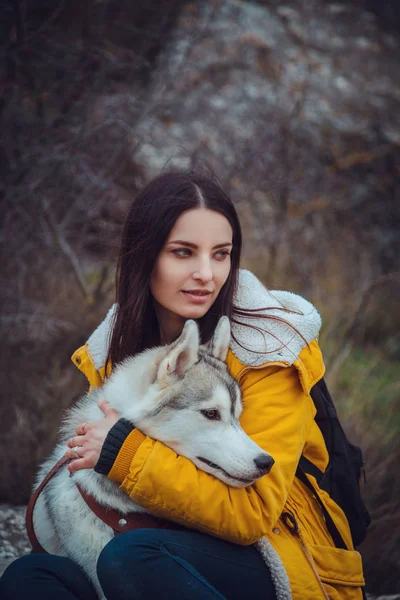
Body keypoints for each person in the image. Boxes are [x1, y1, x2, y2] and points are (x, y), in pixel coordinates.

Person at [0, 170, 366, 600]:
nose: (207, 274)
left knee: (132, 557)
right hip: (162, 546)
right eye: (183, 252)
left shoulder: (269, 352)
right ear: (144, 256)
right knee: (30, 576)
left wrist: (123, 452)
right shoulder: (121, 352)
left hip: (281, 560)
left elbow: (253, 515)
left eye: (222, 254)